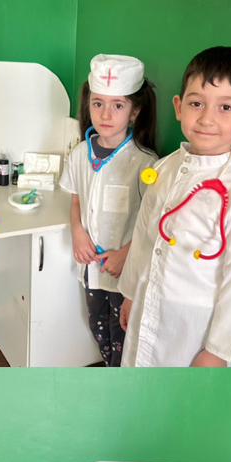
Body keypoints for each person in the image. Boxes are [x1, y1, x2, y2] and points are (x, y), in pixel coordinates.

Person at [118, 46, 231, 368]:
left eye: (226, 107)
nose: (206, 118)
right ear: (179, 107)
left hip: (194, 330)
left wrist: (217, 351)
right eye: (196, 103)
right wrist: (131, 293)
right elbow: (144, 237)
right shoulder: (162, 169)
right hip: (147, 306)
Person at [60, 55, 158, 366]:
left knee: (124, 338)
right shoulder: (79, 154)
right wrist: (77, 232)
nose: (105, 114)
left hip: (124, 272)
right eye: (98, 103)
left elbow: (153, 222)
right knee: (98, 328)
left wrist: (126, 254)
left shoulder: (145, 163)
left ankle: (117, 384)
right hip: (92, 268)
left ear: (134, 112)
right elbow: (76, 198)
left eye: (118, 105)